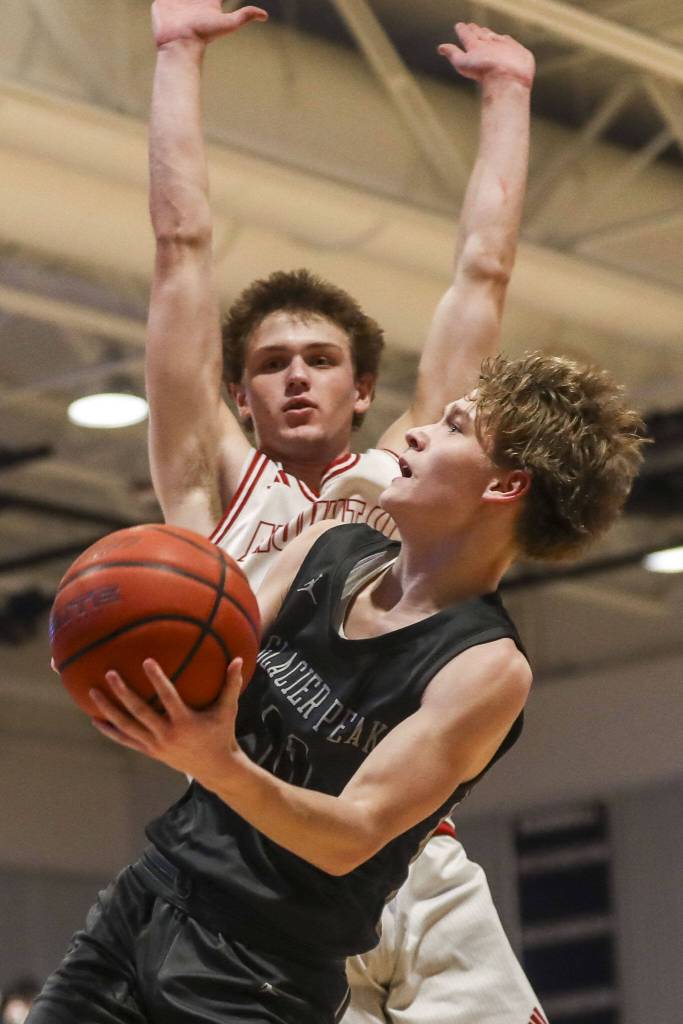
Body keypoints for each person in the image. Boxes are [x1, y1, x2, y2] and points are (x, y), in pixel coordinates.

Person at [28, 350, 645, 1024]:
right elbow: (204, 669)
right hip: (149, 895)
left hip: (256, 972)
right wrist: (123, 666)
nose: (414, 432)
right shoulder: (330, 543)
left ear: (503, 487)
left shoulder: (484, 668)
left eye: (453, 429)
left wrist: (218, 764)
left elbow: (352, 834)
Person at [144, 2, 546, 1020]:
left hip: (406, 868)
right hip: (263, 879)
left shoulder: (408, 469)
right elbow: (179, 248)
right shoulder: (205, 486)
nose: (293, 379)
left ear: (363, 389)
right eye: (269, 364)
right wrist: (173, 54)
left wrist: (508, 95)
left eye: (319, 360)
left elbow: (481, 271)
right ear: (236, 392)